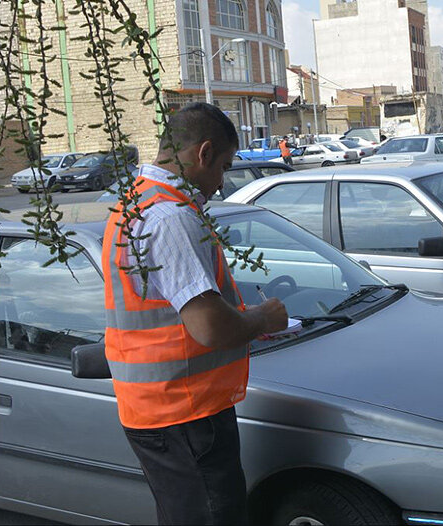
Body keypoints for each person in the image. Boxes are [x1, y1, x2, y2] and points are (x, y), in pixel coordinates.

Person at [103, 102, 288, 525]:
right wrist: (264, 319)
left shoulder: (133, 204)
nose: (222, 183)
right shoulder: (169, 217)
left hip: (160, 412)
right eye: (223, 166)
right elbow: (209, 326)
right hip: (186, 416)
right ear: (203, 154)